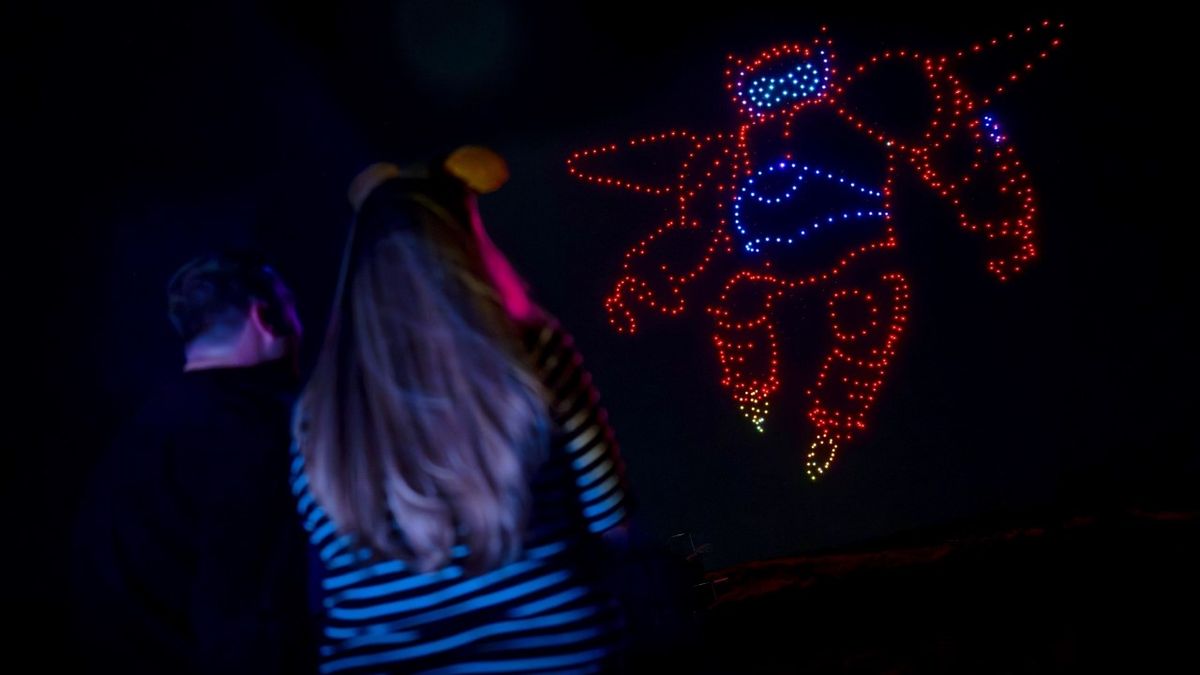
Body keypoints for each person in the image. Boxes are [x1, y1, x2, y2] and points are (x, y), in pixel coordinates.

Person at [290, 147, 631, 674]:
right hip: (554, 655)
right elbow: (609, 519)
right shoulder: (533, 352)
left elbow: (328, 556)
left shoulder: (317, 407)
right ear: (464, 245)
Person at [72, 252, 315, 674]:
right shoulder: (252, 435)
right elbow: (244, 615)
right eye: (293, 310)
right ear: (264, 317)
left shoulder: (137, 433)